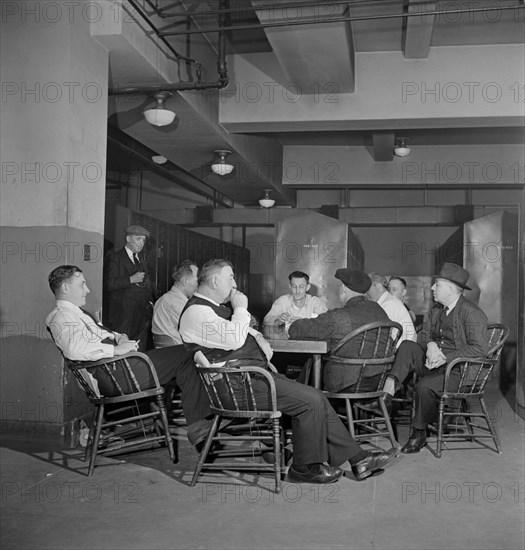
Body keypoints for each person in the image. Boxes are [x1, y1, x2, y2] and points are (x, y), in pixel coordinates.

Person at [178, 259, 398, 485]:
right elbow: (233, 337)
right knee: (311, 399)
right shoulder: (197, 312)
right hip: (237, 386)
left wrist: (258, 339)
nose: (235, 284)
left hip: (248, 378)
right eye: (230, 278)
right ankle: (303, 468)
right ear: (215, 281)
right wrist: (241, 307)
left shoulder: (210, 310)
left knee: (315, 397)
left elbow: (240, 334)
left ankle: (358, 459)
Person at [46, 265, 213, 448]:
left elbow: (98, 335)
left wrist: (118, 337)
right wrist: (116, 350)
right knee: (185, 354)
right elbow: (73, 349)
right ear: (65, 288)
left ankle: (200, 423)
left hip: (119, 369)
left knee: (184, 356)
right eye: (82, 284)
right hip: (113, 376)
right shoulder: (60, 317)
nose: (87, 289)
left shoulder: (76, 314)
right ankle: (201, 424)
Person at [365, 263, 489, 453]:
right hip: (434, 365)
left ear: (450, 288)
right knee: (407, 346)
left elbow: (480, 348)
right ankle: (386, 397)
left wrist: (446, 357)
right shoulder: (437, 310)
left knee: (424, 386)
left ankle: (418, 433)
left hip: (458, 371)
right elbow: (422, 335)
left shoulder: (471, 313)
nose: (432, 288)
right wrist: (431, 346)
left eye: (437, 285)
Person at [288, 269, 391, 393]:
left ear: (343, 288)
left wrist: (292, 322)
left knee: (313, 361)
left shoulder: (341, 317)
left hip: (347, 383)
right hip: (378, 381)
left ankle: (306, 403)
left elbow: (297, 329)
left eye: (339, 286)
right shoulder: (380, 311)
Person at [103, 225, 154, 351]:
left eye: (143, 240)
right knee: (123, 349)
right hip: (123, 314)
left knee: (139, 348)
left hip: (140, 313)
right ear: (128, 238)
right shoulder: (115, 258)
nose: (141, 243)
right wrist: (131, 279)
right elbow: (109, 284)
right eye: (138, 239)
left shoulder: (141, 259)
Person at [152, 260, 199, 347]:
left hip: (167, 353)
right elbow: (198, 331)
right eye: (197, 280)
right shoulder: (176, 303)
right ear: (184, 281)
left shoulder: (163, 299)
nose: (198, 285)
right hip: (180, 355)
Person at [263, 271, 328, 330]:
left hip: (311, 341)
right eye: (294, 286)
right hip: (286, 341)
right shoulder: (282, 301)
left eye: (301, 287)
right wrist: (278, 321)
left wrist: (305, 323)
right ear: (290, 287)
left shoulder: (315, 302)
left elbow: (327, 323)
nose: (297, 291)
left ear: (307, 287)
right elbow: (266, 321)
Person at [367, 272, 416, 346]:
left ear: (378, 286)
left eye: (369, 288)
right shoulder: (387, 302)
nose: (366, 293)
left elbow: (383, 337)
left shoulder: (389, 304)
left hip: (401, 353)